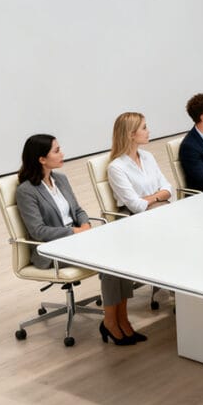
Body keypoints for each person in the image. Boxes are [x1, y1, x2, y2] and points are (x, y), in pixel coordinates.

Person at [16, 134, 145, 346]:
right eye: (56, 150)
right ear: (41, 159)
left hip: (79, 237)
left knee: (121, 253)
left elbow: (78, 210)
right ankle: (111, 322)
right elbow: (38, 231)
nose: (62, 153)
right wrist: (74, 232)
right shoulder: (26, 191)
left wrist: (84, 225)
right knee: (109, 260)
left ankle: (122, 319)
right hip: (54, 248)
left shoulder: (61, 179)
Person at [107, 112, 174, 214]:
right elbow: (136, 206)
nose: (148, 131)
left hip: (159, 209)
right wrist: (159, 196)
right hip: (134, 217)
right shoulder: (116, 168)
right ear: (131, 134)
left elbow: (168, 189)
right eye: (144, 128)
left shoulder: (148, 156)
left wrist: (149, 199)